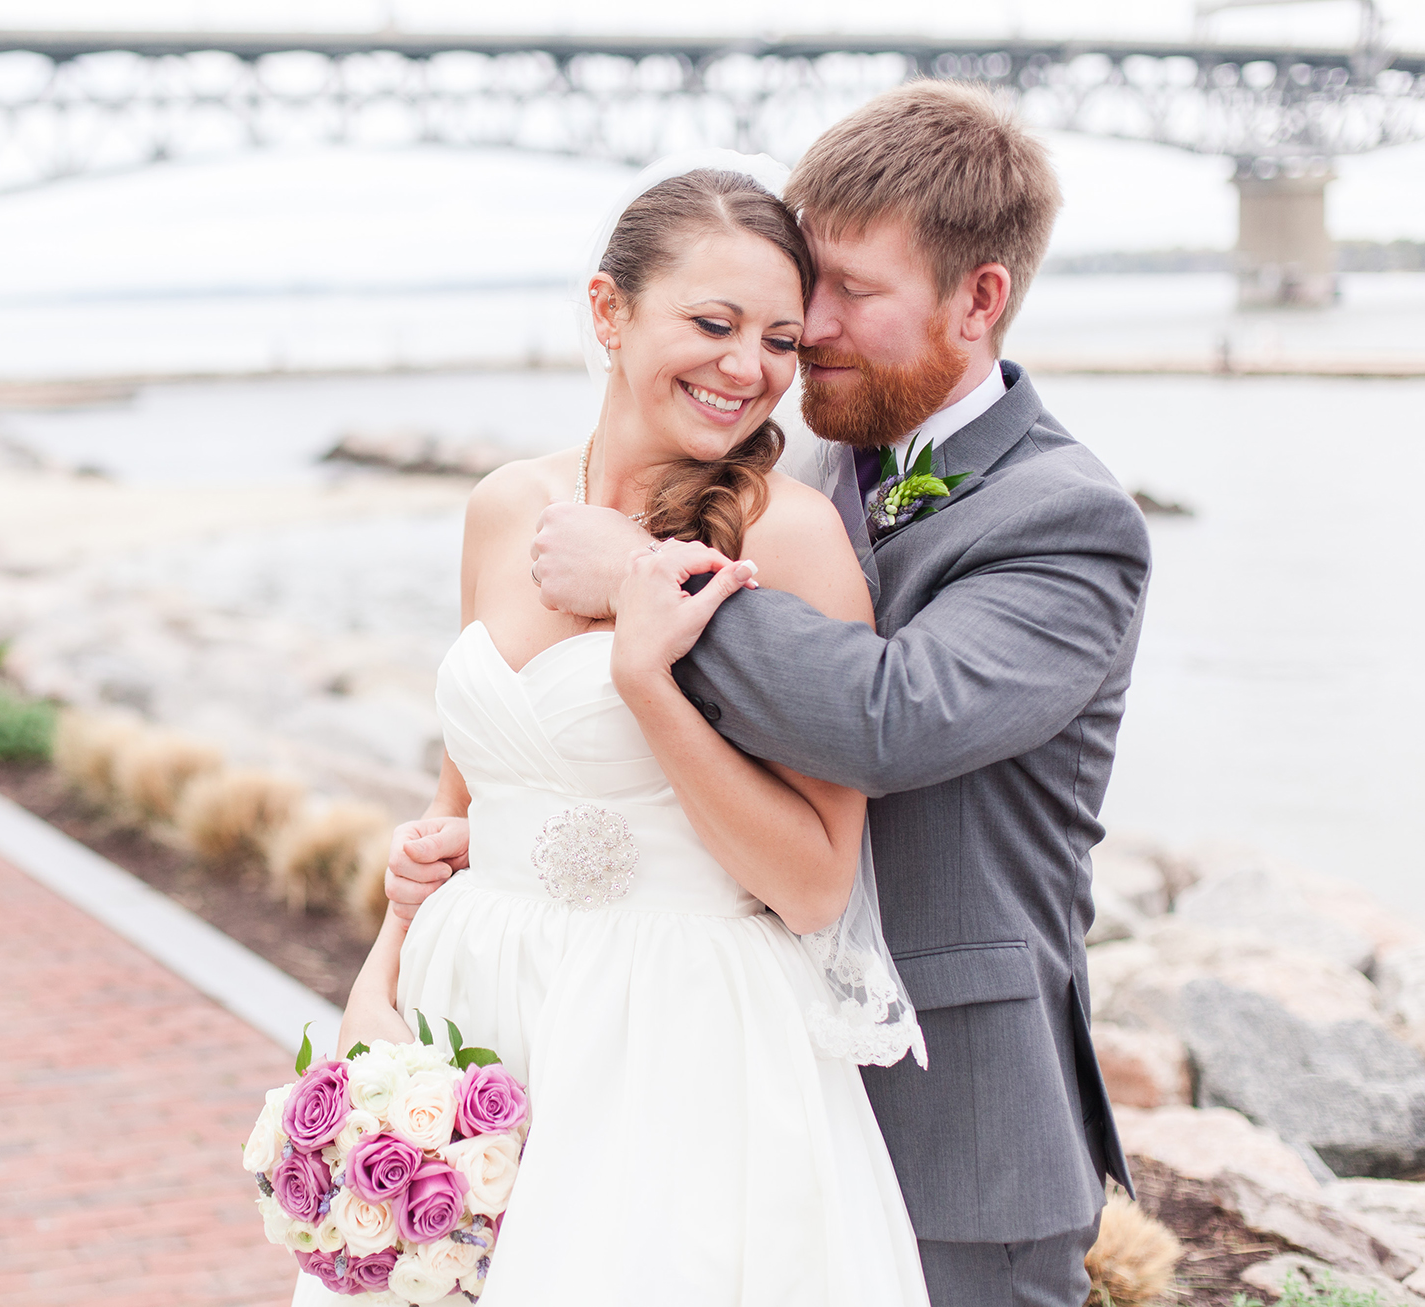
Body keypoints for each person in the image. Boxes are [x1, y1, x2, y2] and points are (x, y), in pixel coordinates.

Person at [390, 83, 1151, 1307]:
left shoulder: (1064, 518)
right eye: (802, 296)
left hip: (948, 1100)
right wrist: (454, 861)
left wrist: (638, 587)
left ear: (979, 299)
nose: (808, 327)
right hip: (666, 1054)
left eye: (847, 291)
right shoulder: (796, 462)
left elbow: (897, 716)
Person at [314, 160, 930, 1305]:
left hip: (676, 1036)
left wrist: (650, 678)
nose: (748, 368)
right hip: (476, 998)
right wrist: (380, 971)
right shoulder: (505, 506)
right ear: (607, 311)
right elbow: (466, 805)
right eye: (713, 322)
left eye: (782, 341)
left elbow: (810, 885)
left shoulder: (789, 542)